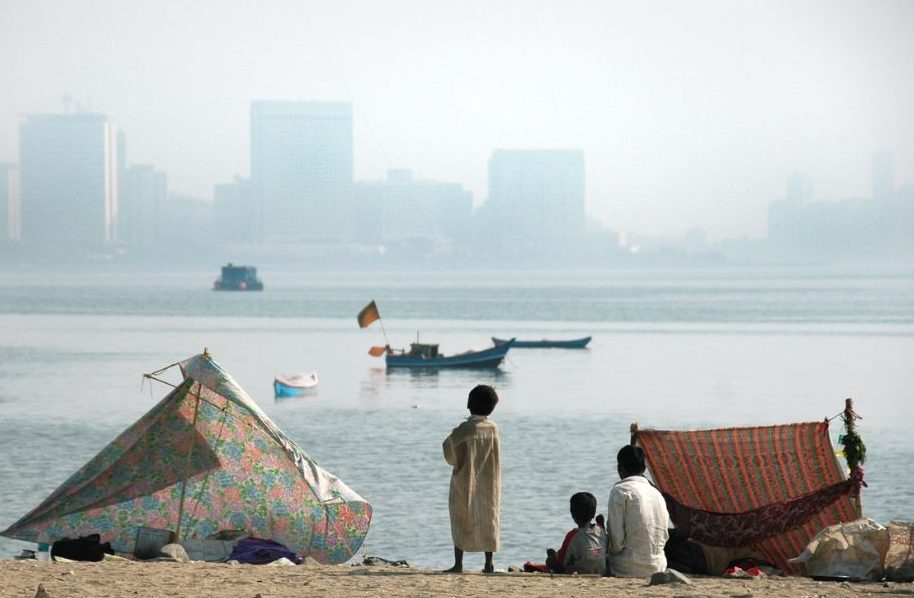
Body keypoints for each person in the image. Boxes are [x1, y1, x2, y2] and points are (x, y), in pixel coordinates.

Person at [442, 384, 501, 573]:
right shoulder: (493, 429)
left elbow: (448, 452)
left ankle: (458, 564)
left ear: (469, 404)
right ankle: (488, 564)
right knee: (489, 519)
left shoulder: (464, 430)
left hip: (464, 483)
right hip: (490, 483)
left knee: (460, 518)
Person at [606, 444, 670, 577]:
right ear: (644, 468)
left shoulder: (620, 491)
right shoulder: (657, 494)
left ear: (619, 468)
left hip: (628, 568)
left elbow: (616, 544)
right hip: (658, 567)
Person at [541, 492, 607, 575]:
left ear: (572, 515)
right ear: (593, 513)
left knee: (550, 560)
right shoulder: (601, 530)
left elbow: (561, 561)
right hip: (601, 572)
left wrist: (554, 556)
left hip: (581, 573)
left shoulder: (573, 535)